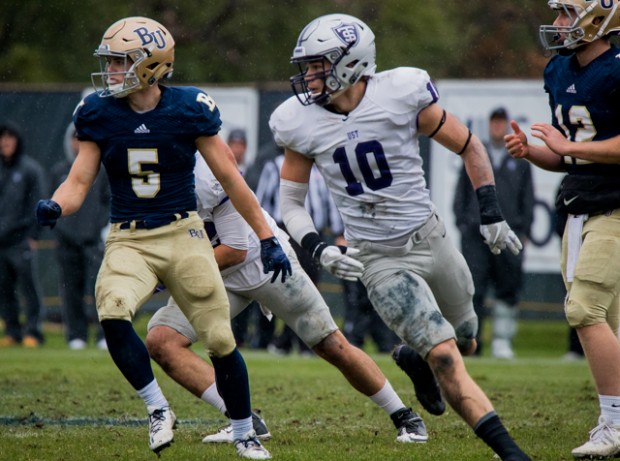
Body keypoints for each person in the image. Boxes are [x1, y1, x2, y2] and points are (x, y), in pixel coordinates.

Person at [270, 13, 530, 461]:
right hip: (377, 257)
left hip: (430, 238)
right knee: (447, 357)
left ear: (351, 62)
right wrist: (320, 248)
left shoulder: (402, 93)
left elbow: (470, 146)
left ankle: (413, 357)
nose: (308, 77)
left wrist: (491, 213)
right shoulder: (300, 122)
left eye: (317, 65)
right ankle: (511, 452)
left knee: (466, 339)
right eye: (306, 67)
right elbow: (289, 204)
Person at [35, 16, 291, 460]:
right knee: (113, 311)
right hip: (128, 237)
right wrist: (57, 204)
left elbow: (231, 178)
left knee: (219, 338)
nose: (111, 71)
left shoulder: (188, 108)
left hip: (183, 232)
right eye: (110, 62)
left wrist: (266, 237)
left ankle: (244, 431)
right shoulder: (97, 112)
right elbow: (79, 181)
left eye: (120, 62)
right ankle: (158, 408)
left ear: (150, 65)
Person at [145, 153, 428, 445]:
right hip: (216, 272)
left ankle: (404, 416)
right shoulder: (148, 176)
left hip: (262, 261)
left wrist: (170, 275)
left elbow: (235, 249)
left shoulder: (207, 174)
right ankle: (243, 418)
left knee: (330, 344)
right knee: (162, 340)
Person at [505, 1, 620, 458]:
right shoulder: (558, 71)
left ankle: (612, 423)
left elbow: (582, 147)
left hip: (615, 204)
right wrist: (531, 152)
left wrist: (568, 147)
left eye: (566, 15)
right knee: (608, 319)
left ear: (599, 19)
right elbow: (566, 156)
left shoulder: (616, 71)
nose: (556, 25)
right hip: (579, 203)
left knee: (583, 310)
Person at [453, 107, 535, 359]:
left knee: (507, 287)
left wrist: (523, 229)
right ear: (489, 125)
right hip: (476, 236)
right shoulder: (476, 153)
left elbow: (528, 197)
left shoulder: (518, 159)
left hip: (509, 234)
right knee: (473, 288)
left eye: (501, 123)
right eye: (494, 123)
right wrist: (465, 223)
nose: (497, 127)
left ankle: (502, 340)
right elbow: (461, 195)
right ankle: (472, 342)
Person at [255, 153, 342, 356]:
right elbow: (257, 202)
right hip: (285, 232)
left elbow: (329, 201)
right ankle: (282, 339)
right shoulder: (274, 166)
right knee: (289, 285)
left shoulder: (319, 169)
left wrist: (339, 232)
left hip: (314, 235)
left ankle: (294, 341)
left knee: (310, 286)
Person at [50, 123, 110, 350]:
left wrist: (98, 229)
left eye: (81, 138)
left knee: (101, 289)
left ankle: (105, 335)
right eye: (74, 138)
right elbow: (54, 202)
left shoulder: (102, 170)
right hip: (66, 242)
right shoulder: (59, 171)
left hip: (93, 241)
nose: (77, 143)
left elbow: (108, 202)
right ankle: (76, 335)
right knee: (70, 290)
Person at [0, 122, 46, 348]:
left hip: (21, 240)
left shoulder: (30, 169)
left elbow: (38, 202)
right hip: (1, 242)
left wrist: (33, 235)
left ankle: (33, 332)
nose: (6, 142)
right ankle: (12, 331)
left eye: (10, 137)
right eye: (3, 138)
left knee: (29, 288)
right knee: (4, 288)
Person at [336, 235, 400, 353]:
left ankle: (385, 341)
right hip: (356, 252)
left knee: (382, 300)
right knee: (355, 301)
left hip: (380, 254)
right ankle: (353, 340)